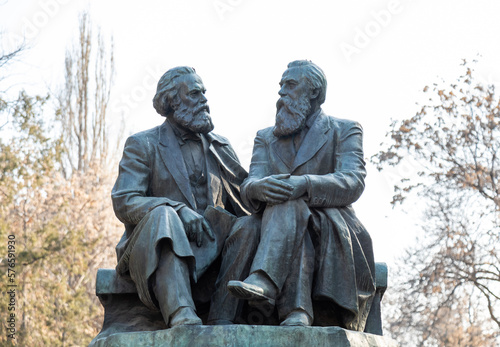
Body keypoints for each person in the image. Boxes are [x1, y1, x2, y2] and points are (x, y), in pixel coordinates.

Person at [216, 60, 376, 331]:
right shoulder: (265, 137)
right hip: (271, 222)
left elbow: (353, 181)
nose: (281, 93)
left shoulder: (345, 129)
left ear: (313, 92)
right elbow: (250, 182)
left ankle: (267, 282)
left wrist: (304, 184)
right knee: (250, 222)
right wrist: (258, 188)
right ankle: (227, 318)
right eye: (280, 86)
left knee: (291, 204)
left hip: (330, 221)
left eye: (290, 85)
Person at [111, 66, 251, 328]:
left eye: (204, 93)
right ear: (172, 101)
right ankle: (181, 312)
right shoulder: (144, 144)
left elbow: (246, 204)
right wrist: (177, 209)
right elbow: (125, 200)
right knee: (164, 215)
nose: (204, 100)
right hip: (153, 248)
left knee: (249, 225)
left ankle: (223, 315)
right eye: (195, 93)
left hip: (213, 251)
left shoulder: (220, 147)